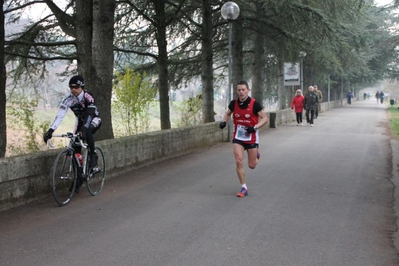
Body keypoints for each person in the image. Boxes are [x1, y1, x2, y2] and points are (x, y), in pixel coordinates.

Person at [219, 81, 268, 197]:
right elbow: (227, 114)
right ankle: (243, 187)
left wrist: (255, 127)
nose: (241, 92)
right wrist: (224, 122)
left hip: (251, 137)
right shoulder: (233, 103)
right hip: (238, 136)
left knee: (252, 165)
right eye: (239, 90)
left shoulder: (255, 104)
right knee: (238, 160)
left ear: (248, 90)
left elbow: (265, 118)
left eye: (243, 90)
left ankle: (257, 154)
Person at [43, 75, 102, 170]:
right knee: (74, 145)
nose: (73, 89)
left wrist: (83, 130)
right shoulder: (68, 99)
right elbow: (60, 115)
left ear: (82, 87)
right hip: (80, 121)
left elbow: (89, 115)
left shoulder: (88, 97)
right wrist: (51, 130)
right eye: (71, 87)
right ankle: (79, 175)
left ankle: (93, 154)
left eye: (76, 87)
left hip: (93, 119)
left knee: (87, 132)